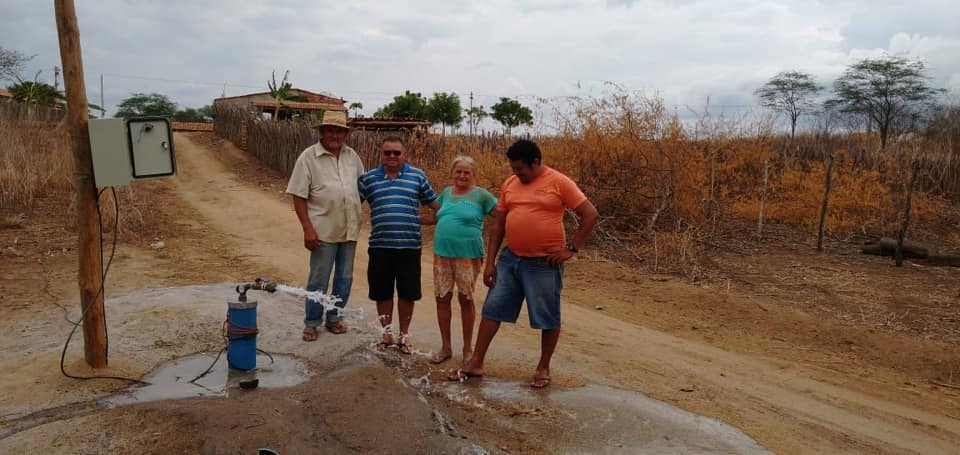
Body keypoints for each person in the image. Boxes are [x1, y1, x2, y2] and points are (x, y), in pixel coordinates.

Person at [448, 139, 599, 388]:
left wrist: (571, 248)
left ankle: (543, 368)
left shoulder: (559, 182)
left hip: (543, 262)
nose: (516, 173)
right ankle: (476, 362)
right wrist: (491, 262)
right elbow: (499, 225)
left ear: (536, 162)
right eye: (513, 168)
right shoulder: (511, 183)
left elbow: (590, 214)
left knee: (547, 315)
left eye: (521, 168)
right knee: (492, 309)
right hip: (511, 258)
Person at [285, 110, 364, 342]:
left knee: (345, 278)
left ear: (345, 134)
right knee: (319, 278)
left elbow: (363, 186)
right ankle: (311, 322)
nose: (335, 135)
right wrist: (307, 229)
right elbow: (298, 196)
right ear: (321, 132)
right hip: (322, 231)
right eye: (330, 130)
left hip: (350, 229)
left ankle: (334, 318)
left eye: (339, 131)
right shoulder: (309, 157)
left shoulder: (352, 156)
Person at [358, 136, 440, 354]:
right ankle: (386, 334)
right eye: (387, 153)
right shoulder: (368, 179)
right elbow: (350, 203)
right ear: (380, 155)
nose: (392, 156)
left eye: (396, 152)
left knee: (407, 294)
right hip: (380, 246)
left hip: (409, 246)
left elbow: (436, 204)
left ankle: (403, 336)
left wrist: (431, 219)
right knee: (382, 293)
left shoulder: (417, 176)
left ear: (404, 155)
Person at [421, 156, 498, 364]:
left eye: (466, 172)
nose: (462, 176)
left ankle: (467, 349)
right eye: (458, 172)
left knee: (466, 299)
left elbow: (501, 217)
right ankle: (446, 347)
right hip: (442, 253)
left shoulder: (481, 195)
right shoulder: (446, 193)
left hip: (468, 255)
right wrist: (410, 218)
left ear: (474, 174)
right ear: (452, 173)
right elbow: (437, 217)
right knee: (442, 298)